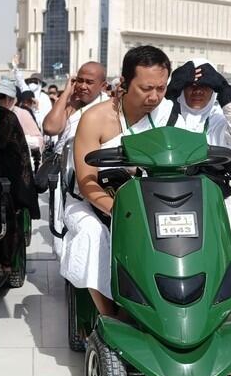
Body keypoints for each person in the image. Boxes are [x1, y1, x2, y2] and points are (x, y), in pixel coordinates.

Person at [61, 46, 180, 317]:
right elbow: (86, 182)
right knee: (92, 234)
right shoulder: (95, 119)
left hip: (151, 200)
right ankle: (110, 316)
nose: (154, 97)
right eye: (146, 88)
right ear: (124, 83)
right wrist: (123, 213)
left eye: (161, 88)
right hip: (94, 201)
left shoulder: (170, 116)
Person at [166, 59, 231, 292]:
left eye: (205, 86)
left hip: (218, 196)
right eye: (190, 86)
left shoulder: (219, 121)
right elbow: (153, 131)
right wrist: (170, 94)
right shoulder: (170, 116)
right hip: (171, 196)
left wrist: (224, 89)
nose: (197, 92)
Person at [44, 62, 108, 256]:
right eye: (79, 80)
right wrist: (66, 94)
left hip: (94, 179)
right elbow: (50, 128)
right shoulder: (71, 104)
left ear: (103, 86)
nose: (83, 86)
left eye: (89, 82)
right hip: (66, 179)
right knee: (63, 231)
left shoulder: (109, 107)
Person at [0, 75, 40, 267]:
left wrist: (23, 194)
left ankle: (5, 263)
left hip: (1, 186)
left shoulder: (10, 117)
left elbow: (19, 158)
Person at [0, 78, 44, 169]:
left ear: (10, 98)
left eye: (1, 96)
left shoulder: (22, 113)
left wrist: (17, 139)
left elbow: (38, 140)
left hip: (19, 165)